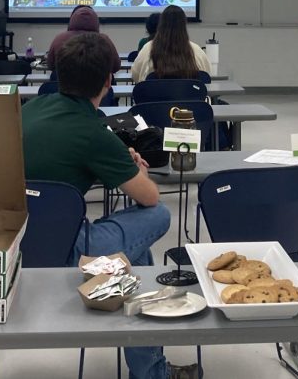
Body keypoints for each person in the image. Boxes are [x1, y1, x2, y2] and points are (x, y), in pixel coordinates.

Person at [22, 34, 196, 379]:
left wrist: (113, 161)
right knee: (157, 217)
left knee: (138, 257)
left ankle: (152, 370)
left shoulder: (29, 109)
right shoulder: (93, 131)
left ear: (58, 73)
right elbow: (149, 197)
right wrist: (122, 162)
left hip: (15, 245)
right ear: (108, 82)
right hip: (69, 253)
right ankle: (150, 372)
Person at [130, 5, 211, 83]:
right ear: (184, 25)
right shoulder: (196, 50)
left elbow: (135, 75)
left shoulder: (148, 48)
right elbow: (206, 75)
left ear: (161, 24)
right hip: (190, 96)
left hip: (155, 97)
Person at [46, 4, 122, 72]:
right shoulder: (104, 40)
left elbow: (50, 65)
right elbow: (116, 66)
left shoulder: (60, 38)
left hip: (64, 86)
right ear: (96, 21)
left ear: (72, 19)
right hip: (99, 86)